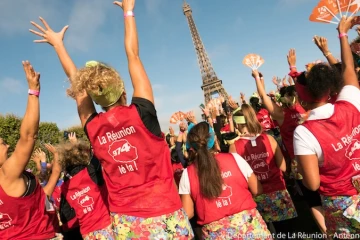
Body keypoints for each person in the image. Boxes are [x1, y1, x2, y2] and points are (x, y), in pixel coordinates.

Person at [29, 0, 193, 238]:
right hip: (166, 214)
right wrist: (128, 11)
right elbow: (133, 55)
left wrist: (58, 46)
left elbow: (79, 88)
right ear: (123, 91)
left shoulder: (94, 126)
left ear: (97, 98)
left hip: (126, 224)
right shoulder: (142, 112)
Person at [294, 16, 360, 238]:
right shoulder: (350, 101)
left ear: (302, 102)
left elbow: (312, 184)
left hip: (341, 203)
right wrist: (342, 34)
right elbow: (349, 67)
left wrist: (300, 170)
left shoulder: (303, 132)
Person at [179, 122, 272, 239]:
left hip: (216, 233)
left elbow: (188, 212)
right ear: (215, 140)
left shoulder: (187, 174)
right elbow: (257, 189)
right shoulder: (235, 158)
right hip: (249, 226)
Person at [0, 61, 60, 239]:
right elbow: (28, 137)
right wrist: (33, 91)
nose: (8, 145)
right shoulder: (6, 175)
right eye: (2, 143)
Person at [229, 104, 298, 235]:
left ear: (237, 124)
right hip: (278, 192)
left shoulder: (234, 147)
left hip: (255, 197)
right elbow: (283, 166)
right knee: (288, 232)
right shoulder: (269, 138)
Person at [57, 140, 114, 239]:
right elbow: (99, 151)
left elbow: (65, 214)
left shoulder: (65, 186)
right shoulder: (90, 171)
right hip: (106, 226)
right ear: (84, 155)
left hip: (87, 233)